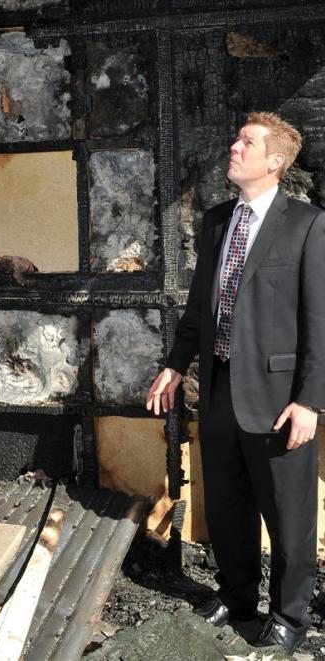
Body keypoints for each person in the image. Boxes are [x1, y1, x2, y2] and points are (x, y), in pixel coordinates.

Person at [146, 111, 325, 656]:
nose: (234, 147)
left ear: (275, 161)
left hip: (278, 400)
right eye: (236, 139)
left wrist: (310, 402)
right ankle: (238, 596)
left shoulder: (308, 224)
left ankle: (290, 617)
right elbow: (202, 304)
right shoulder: (218, 220)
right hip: (220, 387)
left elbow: (321, 321)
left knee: (289, 517)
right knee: (226, 507)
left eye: (247, 142)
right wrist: (176, 364)